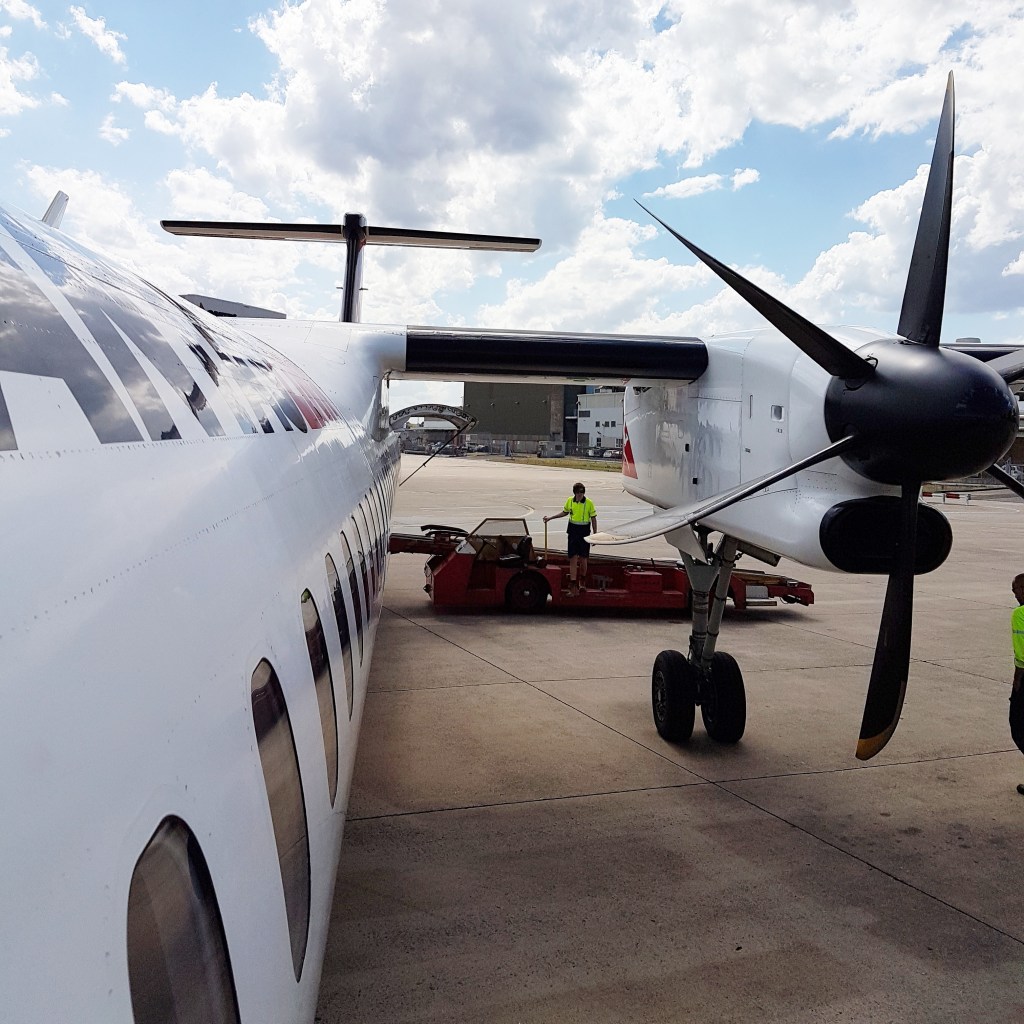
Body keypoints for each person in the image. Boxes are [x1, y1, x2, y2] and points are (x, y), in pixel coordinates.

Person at [544, 482, 597, 596]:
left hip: (584, 532)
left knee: (583, 558)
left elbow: (593, 519)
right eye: (578, 493)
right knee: (572, 557)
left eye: (582, 493)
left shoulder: (589, 503)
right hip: (573, 531)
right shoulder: (570, 501)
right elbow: (564, 512)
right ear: (574, 493)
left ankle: (582, 581)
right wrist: (550, 518)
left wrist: (595, 534)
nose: (580, 495)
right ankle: (573, 585)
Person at [1010, 573, 1024, 793]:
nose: (1014, 594)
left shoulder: (1020, 614)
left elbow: (1022, 655)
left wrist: (1017, 681)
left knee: (1019, 727)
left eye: (1016, 590)